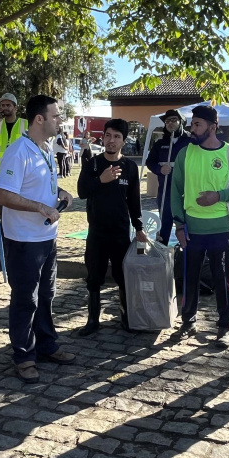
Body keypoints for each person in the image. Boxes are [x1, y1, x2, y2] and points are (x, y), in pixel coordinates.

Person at [0, 95, 76, 383]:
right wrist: (41, 207)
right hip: (23, 239)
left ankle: (46, 345)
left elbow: (38, 186)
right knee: (25, 298)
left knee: (46, 295)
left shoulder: (46, 148)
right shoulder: (19, 151)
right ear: (39, 119)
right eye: (55, 116)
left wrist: (59, 194)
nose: (59, 120)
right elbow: (1, 195)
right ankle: (23, 355)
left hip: (46, 237)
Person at [170, 105, 229, 347]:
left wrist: (218, 196)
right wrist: (179, 224)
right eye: (192, 124)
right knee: (190, 278)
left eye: (197, 124)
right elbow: (176, 191)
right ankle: (188, 322)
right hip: (192, 230)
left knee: (222, 279)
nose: (192, 129)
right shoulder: (185, 153)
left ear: (213, 127)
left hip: (220, 229)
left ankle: (224, 326)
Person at [76, 118, 148, 336]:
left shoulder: (129, 167)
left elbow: (134, 201)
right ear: (103, 137)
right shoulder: (94, 164)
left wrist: (139, 226)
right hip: (97, 232)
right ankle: (92, 320)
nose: (111, 140)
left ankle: (126, 317)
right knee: (94, 276)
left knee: (122, 275)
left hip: (120, 232)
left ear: (124, 141)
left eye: (117, 136)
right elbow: (82, 191)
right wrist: (101, 180)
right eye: (108, 135)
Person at [145, 109, 188, 245]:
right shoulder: (159, 143)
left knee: (185, 223)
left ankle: (186, 253)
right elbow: (149, 162)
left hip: (185, 191)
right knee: (165, 223)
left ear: (181, 122)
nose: (170, 123)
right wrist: (160, 169)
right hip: (165, 191)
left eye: (174, 120)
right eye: (167, 121)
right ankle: (162, 252)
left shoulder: (190, 142)